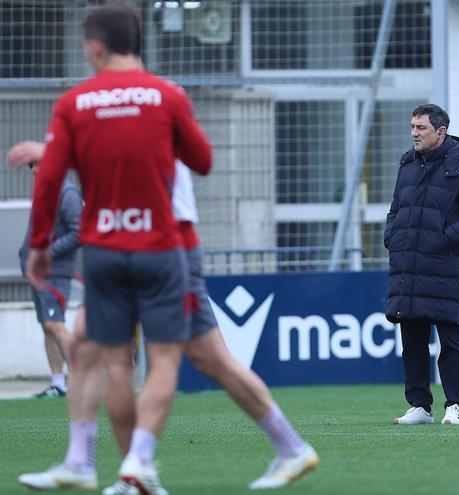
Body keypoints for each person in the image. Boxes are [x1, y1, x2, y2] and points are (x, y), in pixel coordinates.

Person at [14, 147, 319, 491]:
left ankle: (137, 464)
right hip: (126, 249)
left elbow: (200, 159)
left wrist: (52, 154)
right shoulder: (113, 106)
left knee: (191, 358)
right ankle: (103, 465)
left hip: (164, 248)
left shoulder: (155, 103)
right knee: (93, 345)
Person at [23, 4, 211, 494]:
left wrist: (39, 246)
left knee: (106, 360)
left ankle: (85, 461)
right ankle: (139, 464)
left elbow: (48, 180)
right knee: (165, 359)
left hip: (103, 249)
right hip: (161, 246)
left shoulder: (76, 101)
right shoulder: (166, 95)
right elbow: (203, 160)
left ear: (94, 45)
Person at [384, 104, 459, 426]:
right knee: (411, 339)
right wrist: (393, 236)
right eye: (412, 127)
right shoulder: (407, 163)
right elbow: (395, 208)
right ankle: (420, 406)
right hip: (408, 264)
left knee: (450, 338)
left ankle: (455, 406)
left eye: (421, 128)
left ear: (440, 132)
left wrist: (443, 240)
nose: (414, 133)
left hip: (443, 264)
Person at [8, 141, 82, 398]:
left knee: (55, 324)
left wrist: (46, 254)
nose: (33, 170)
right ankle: (58, 383)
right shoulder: (46, 192)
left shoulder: (67, 193)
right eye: (31, 165)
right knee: (46, 325)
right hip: (39, 274)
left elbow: (79, 233)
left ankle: (81, 378)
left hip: (54, 272)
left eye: (37, 163)